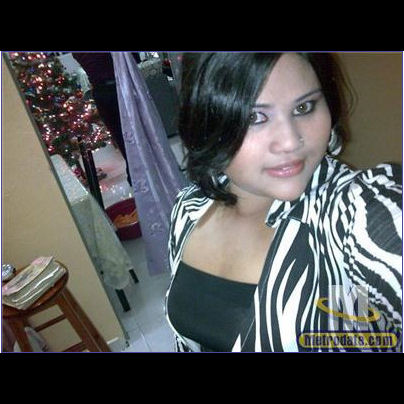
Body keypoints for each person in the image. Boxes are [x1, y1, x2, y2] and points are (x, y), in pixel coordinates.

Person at [164, 53, 402, 352]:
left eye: (304, 107)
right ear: (207, 123)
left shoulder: (363, 213)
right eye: (254, 117)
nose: (290, 141)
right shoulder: (189, 209)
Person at [71, 52, 142, 187]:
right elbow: (134, 58)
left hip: (102, 93)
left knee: (122, 138)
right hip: (119, 88)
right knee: (137, 133)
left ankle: (135, 174)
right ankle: (141, 172)